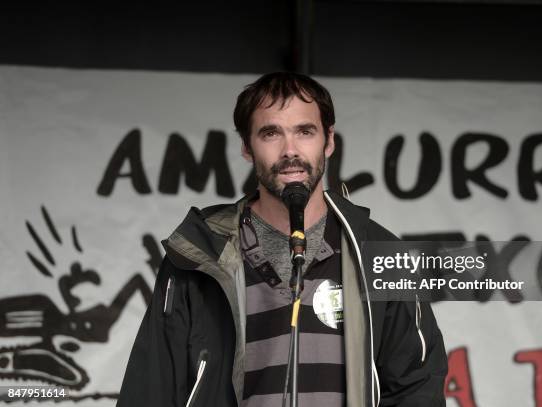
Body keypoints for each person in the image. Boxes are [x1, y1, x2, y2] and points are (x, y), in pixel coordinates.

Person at [117, 72, 447, 407]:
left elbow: (417, 388)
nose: (290, 150)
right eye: (271, 133)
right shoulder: (198, 253)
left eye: (305, 131)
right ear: (247, 146)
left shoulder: (381, 255)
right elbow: (150, 389)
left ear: (329, 140)